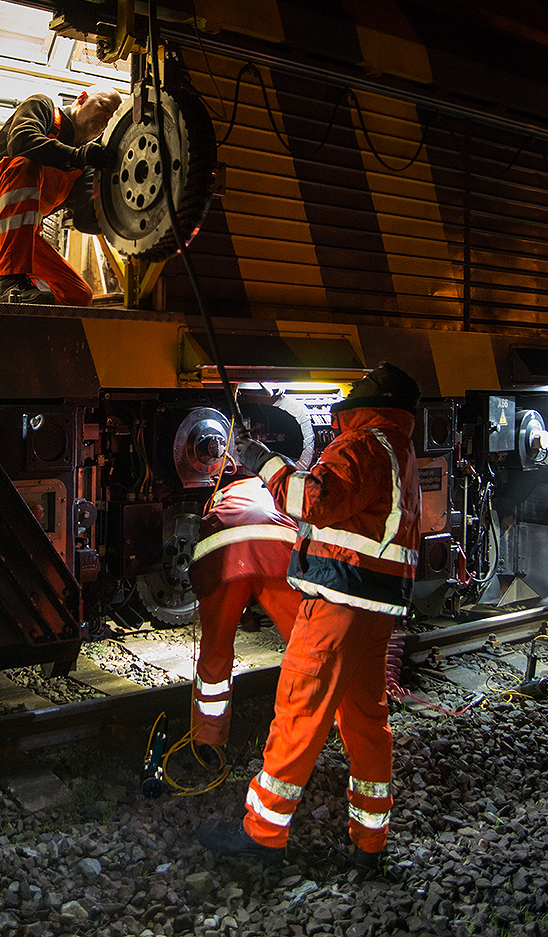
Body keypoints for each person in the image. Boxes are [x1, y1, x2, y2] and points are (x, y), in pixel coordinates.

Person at [197, 363, 421, 875]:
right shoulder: (400, 451)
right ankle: (370, 841)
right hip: (375, 608)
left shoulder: (365, 444)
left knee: (300, 709)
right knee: (367, 721)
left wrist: (265, 464)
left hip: (339, 602)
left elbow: (314, 500)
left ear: (365, 407)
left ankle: (263, 833)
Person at [0, 87, 122, 305]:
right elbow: (22, 142)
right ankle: (8, 279)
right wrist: (78, 156)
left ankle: (5, 296)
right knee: (26, 165)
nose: (108, 117)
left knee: (78, 294)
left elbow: (86, 218)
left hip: (14, 235)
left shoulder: (84, 164)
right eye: (105, 106)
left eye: (113, 116)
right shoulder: (44, 108)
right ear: (82, 98)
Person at [189, 477, 302, 751]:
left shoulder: (217, 498)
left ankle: (208, 739)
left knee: (215, 649)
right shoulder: (280, 486)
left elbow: (234, 584)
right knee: (306, 646)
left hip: (223, 556)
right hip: (277, 551)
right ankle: (319, 727)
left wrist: (242, 616)